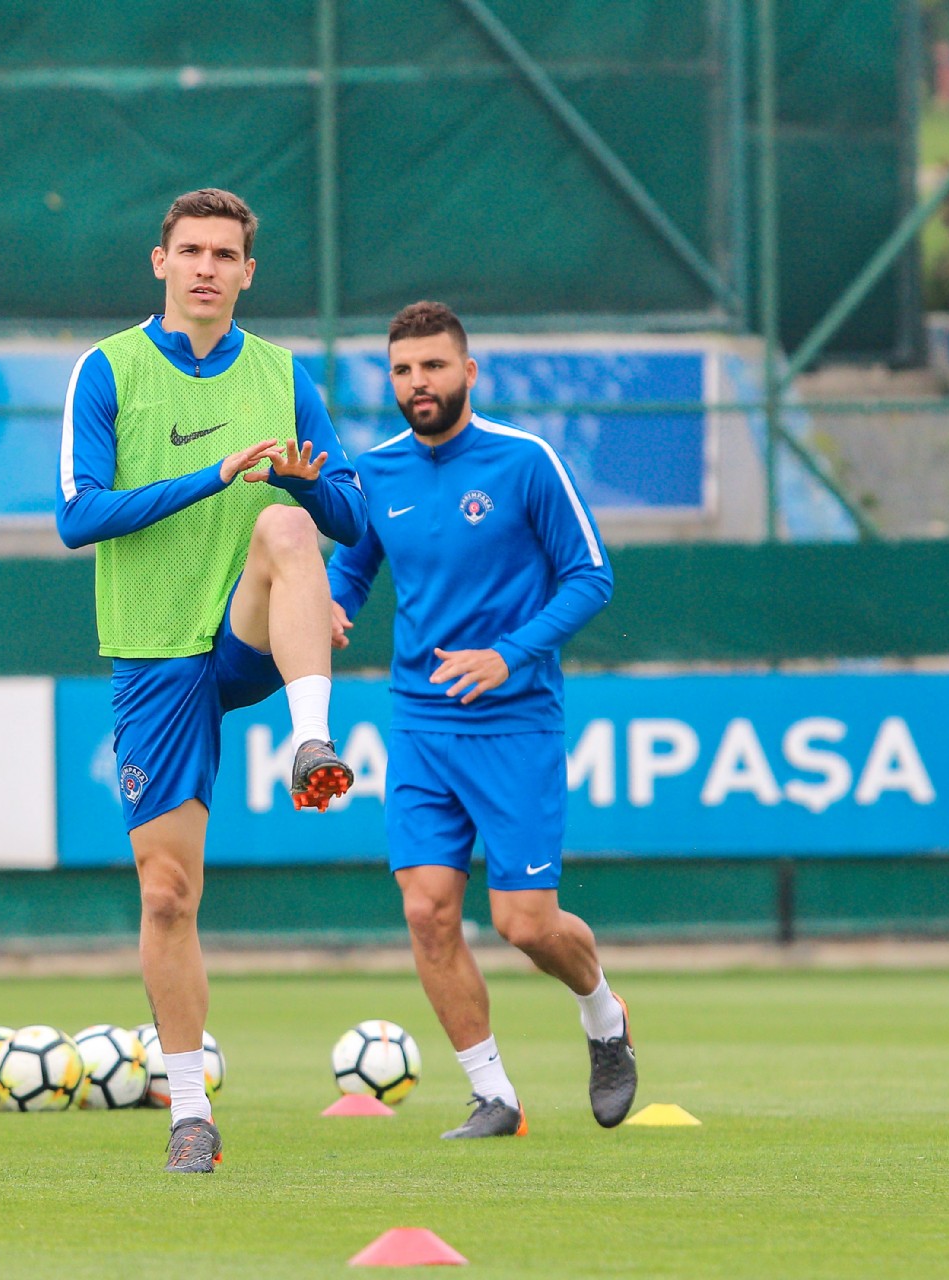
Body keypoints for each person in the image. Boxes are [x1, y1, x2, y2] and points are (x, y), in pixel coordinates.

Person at [56, 188, 367, 1172]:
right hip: (155, 650)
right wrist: (219, 473)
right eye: (190, 250)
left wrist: (303, 481)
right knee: (167, 894)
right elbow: (77, 516)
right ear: (160, 261)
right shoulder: (109, 369)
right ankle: (190, 1112)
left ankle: (313, 739)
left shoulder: (282, 373)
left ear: (247, 272)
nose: (205, 267)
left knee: (289, 523)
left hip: (244, 628)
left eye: (224, 254)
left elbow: (352, 514)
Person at [325, 301, 635, 1139]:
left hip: (515, 723)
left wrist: (510, 653)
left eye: (432, 366)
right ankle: (493, 1095)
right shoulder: (376, 472)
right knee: (427, 911)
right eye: (402, 371)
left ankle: (604, 1017)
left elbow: (590, 575)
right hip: (419, 726)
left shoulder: (525, 461)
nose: (417, 383)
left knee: (523, 923)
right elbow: (353, 570)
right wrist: (333, 605)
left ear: (468, 371)